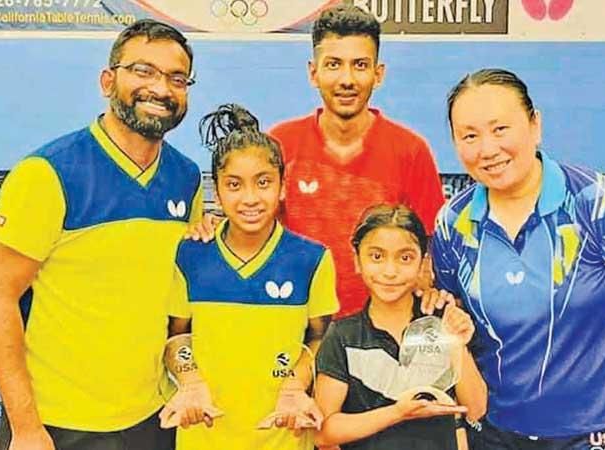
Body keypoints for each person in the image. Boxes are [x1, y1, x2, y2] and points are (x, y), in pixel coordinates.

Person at [429, 68, 605, 449]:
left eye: (500, 129)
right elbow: (458, 329)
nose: (487, 149)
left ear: (535, 125)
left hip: (597, 432)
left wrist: (603, 372)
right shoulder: (453, 224)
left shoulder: (597, 203)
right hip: (498, 433)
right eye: (469, 136)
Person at [0, 19, 202, 450]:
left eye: (176, 78)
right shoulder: (46, 174)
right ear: (108, 80)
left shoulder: (186, 178)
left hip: (151, 419)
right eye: (143, 71)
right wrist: (25, 428)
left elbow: (175, 291)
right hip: (57, 424)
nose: (160, 88)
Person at [191, 5, 445, 318]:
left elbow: (431, 246)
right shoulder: (280, 143)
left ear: (378, 74)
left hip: (378, 331)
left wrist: (428, 281)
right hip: (295, 321)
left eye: (360, 65)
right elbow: (250, 220)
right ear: (314, 72)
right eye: (334, 64)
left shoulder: (411, 150)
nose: (347, 79)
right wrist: (213, 225)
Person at [159, 104, 340, 450]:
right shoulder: (191, 255)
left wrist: (293, 387)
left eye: (263, 183)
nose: (250, 198)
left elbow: (321, 338)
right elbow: (177, 337)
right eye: (234, 185)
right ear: (218, 190)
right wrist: (190, 381)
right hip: (204, 439)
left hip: (282, 439)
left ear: (283, 187)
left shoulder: (312, 259)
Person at [314, 204, 487, 450]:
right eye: (377, 256)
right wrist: (398, 412)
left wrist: (456, 343)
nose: (390, 271)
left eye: (405, 258)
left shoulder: (442, 322)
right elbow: (324, 433)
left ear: (423, 262)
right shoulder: (343, 336)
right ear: (357, 260)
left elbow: (476, 409)